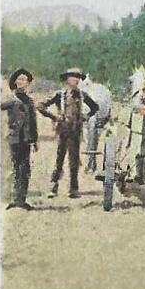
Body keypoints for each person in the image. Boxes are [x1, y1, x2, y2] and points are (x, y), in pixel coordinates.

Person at [38, 68, 99, 199]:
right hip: (62, 130)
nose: (76, 80)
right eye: (73, 77)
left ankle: (73, 189)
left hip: (75, 131)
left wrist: (85, 117)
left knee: (74, 160)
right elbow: (40, 106)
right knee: (59, 158)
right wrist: (54, 117)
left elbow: (95, 107)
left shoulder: (82, 95)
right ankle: (53, 186)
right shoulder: (60, 94)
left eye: (78, 77)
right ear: (67, 79)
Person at [0, 68, 39, 210]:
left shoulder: (29, 100)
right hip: (14, 138)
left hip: (26, 139)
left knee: (25, 169)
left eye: (25, 80)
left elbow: (33, 121)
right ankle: (15, 199)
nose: (22, 82)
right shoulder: (10, 99)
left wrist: (34, 140)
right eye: (20, 79)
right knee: (15, 168)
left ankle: (22, 200)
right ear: (15, 82)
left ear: (28, 83)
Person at [78, 73, 113, 173]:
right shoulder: (105, 89)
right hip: (100, 118)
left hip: (88, 118)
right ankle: (91, 163)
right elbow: (109, 107)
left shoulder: (85, 89)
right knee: (94, 139)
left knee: (89, 139)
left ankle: (90, 163)